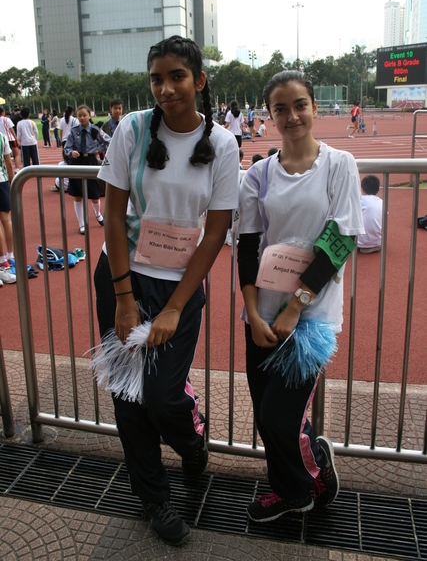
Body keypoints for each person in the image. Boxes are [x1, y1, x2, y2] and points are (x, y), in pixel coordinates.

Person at [94, 36, 240, 546]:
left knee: (161, 395)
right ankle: (153, 497)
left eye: (177, 76)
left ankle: (192, 442)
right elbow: (114, 214)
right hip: (123, 276)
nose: (166, 88)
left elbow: (216, 231)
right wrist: (123, 298)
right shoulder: (132, 129)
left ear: (199, 80)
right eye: (156, 78)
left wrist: (176, 307)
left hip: (180, 283)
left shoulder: (222, 144)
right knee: (128, 396)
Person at [238, 70, 364, 523]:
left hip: (308, 320)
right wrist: (252, 312)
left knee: (280, 417)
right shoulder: (257, 175)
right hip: (262, 316)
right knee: (266, 415)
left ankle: (303, 486)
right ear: (269, 115)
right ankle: (291, 480)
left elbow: (341, 238)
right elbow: (247, 247)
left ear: (313, 107)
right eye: (280, 108)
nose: (291, 116)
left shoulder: (338, 165)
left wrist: (296, 306)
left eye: (299, 105)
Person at [64, 105, 110, 234]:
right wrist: (71, 152)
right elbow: (67, 148)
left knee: (94, 194)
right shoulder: (74, 131)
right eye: (79, 116)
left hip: (90, 161)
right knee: (78, 196)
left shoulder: (95, 130)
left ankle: (98, 214)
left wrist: (98, 150)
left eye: (84, 115)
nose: (82, 118)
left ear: (90, 115)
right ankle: (82, 223)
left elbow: (108, 141)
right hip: (77, 162)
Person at [0, 131, 17, 285]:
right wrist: (12, 182)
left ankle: (2, 261)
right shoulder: (2, 136)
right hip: (2, 180)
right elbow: (9, 163)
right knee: (7, 220)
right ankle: (10, 255)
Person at [357, 175, 382, 253]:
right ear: (378, 189)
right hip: (377, 241)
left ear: (362, 189)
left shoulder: (360, 199)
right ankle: (373, 243)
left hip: (359, 242)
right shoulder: (382, 202)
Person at [0, 107, 21, 171]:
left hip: (1, 140)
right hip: (10, 139)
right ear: (3, 112)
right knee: (17, 154)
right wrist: (16, 139)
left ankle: (5, 169)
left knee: (4, 156)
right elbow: (11, 130)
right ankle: (17, 169)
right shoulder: (7, 119)